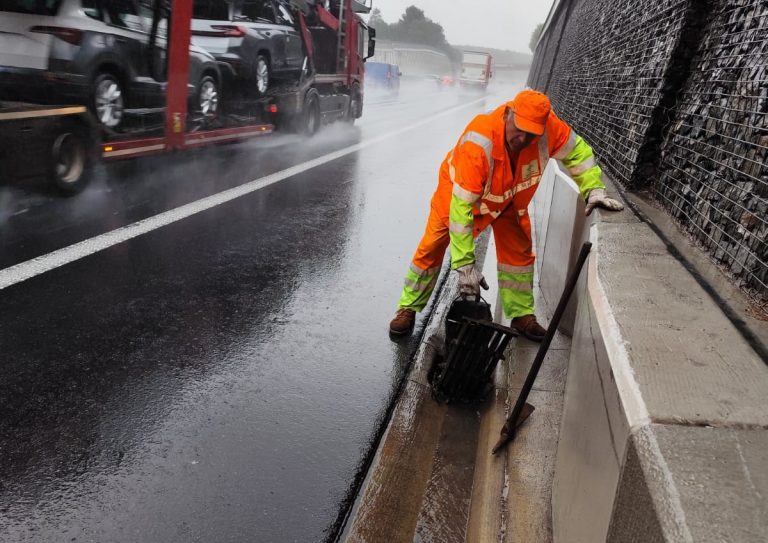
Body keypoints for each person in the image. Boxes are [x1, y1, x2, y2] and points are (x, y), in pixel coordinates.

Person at [389, 89, 624, 340]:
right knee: (431, 248)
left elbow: (580, 155)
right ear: (508, 114)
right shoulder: (479, 141)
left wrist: (594, 189)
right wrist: (465, 265)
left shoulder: (551, 130)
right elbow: (461, 212)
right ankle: (408, 307)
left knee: (518, 254)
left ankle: (522, 315)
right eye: (519, 129)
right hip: (457, 197)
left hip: (508, 200)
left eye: (532, 133)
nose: (522, 138)